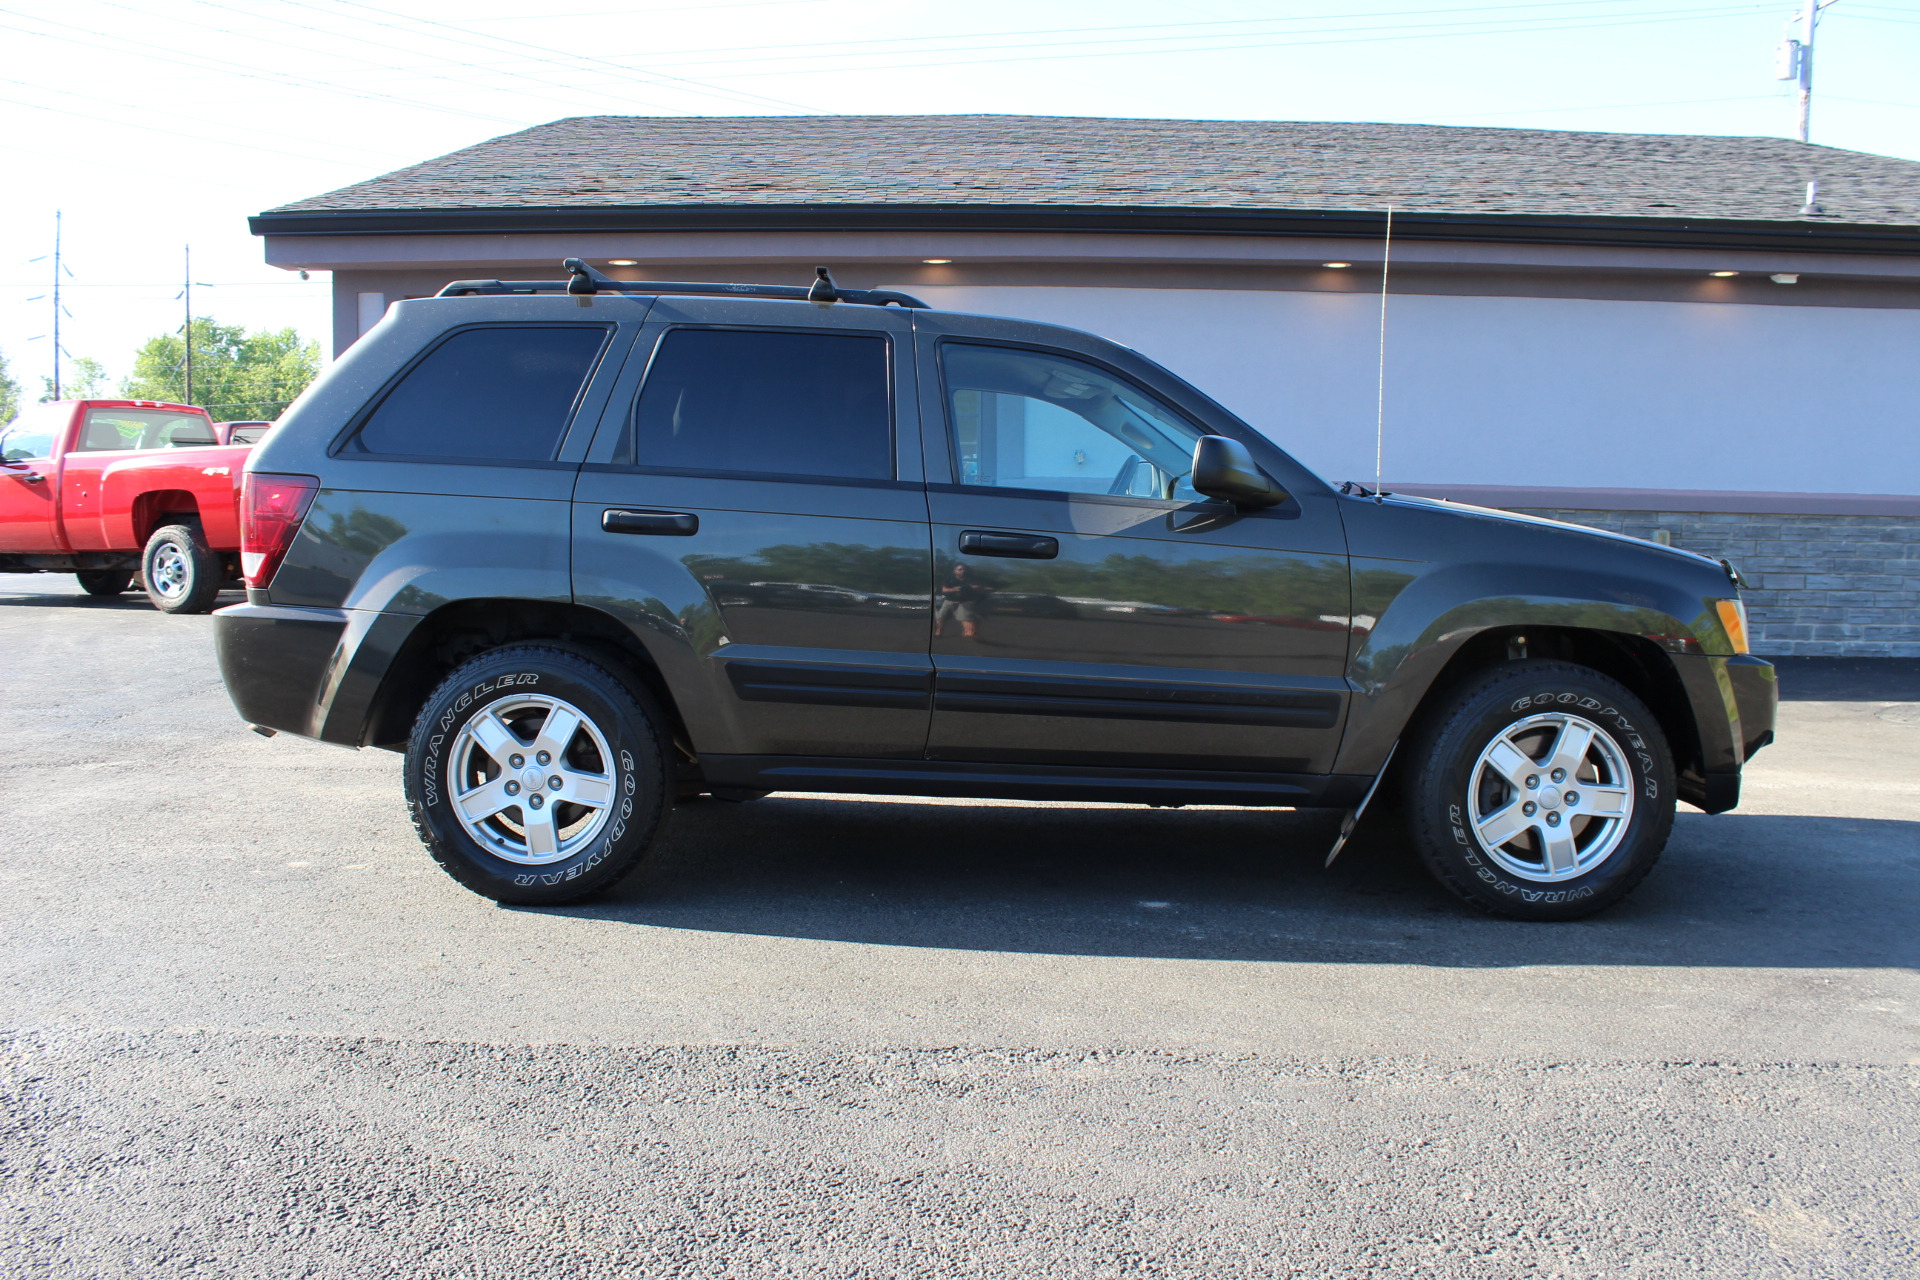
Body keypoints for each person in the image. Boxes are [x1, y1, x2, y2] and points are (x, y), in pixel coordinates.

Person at [933, 562, 988, 640]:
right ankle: (939, 631)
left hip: (965, 601)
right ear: (955, 571)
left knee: (966, 617)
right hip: (950, 600)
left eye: (964, 569)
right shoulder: (950, 579)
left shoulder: (971, 579)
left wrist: (973, 587)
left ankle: (970, 633)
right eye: (960, 569)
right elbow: (944, 589)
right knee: (941, 616)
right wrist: (955, 589)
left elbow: (979, 587)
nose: (962, 571)